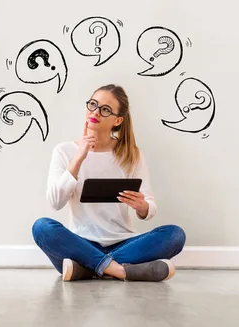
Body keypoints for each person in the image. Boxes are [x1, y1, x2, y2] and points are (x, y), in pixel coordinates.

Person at [31, 84, 186, 282]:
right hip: (81, 244)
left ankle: (87, 269)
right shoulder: (64, 151)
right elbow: (55, 202)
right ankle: (121, 270)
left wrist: (143, 207)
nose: (95, 112)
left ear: (117, 120)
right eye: (93, 104)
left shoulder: (131, 154)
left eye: (105, 109)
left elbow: (150, 206)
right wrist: (79, 158)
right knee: (42, 227)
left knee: (175, 235)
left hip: (123, 242)